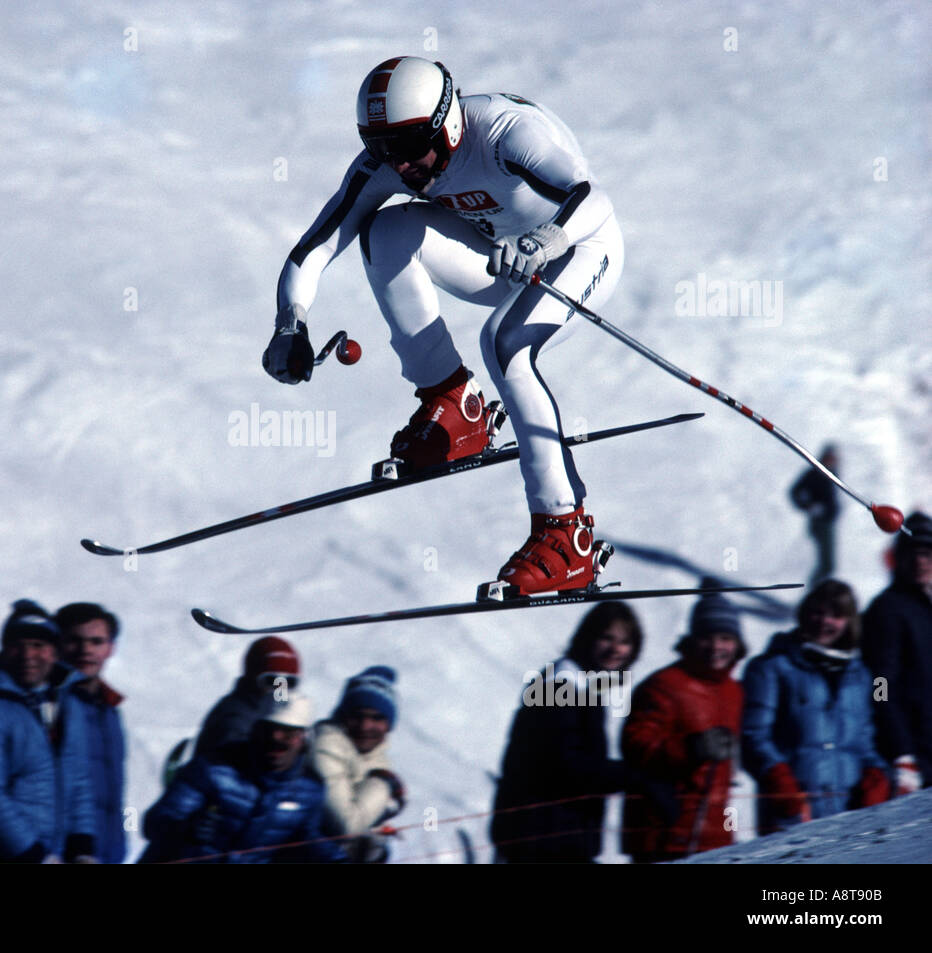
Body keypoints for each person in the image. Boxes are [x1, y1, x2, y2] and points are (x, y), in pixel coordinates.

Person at [263, 55, 622, 596]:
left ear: (448, 124)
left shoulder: (505, 132)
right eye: (381, 150)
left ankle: (565, 533)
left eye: (408, 149)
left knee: (505, 345)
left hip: (579, 249)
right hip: (500, 257)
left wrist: (548, 240)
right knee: (384, 232)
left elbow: (591, 197)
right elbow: (316, 244)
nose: (399, 167)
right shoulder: (393, 160)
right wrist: (291, 322)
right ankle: (456, 407)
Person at [0, 599, 96, 863]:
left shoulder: (68, 704)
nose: (28, 655)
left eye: (38, 645)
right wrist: (33, 854)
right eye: (17, 646)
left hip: (46, 853)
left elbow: (79, 781)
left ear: (55, 651)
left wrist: (81, 846)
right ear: (4, 651)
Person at [491, 601, 642, 863]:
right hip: (538, 841)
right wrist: (633, 777)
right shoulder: (559, 684)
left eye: (625, 642)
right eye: (606, 638)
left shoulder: (586, 685)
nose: (616, 649)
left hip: (561, 838)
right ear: (588, 637)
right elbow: (566, 766)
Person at [742, 580, 888, 833]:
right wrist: (780, 781)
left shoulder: (862, 675)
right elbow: (754, 736)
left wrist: (877, 773)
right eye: (817, 612)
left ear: (849, 621)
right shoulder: (772, 667)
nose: (824, 621)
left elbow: (863, 742)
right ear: (804, 613)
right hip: (793, 813)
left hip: (849, 813)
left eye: (836, 615)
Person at [140, 695, 346, 863]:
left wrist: (337, 859)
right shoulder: (214, 769)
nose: (276, 744)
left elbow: (305, 839)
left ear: (303, 740)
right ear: (256, 732)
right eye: (268, 732)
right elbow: (155, 822)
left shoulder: (308, 790)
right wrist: (185, 829)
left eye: (288, 736)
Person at [622, 589, 744, 862]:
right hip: (666, 836)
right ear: (693, 640)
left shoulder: (734, 691)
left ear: (737, 643)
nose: (716, 647)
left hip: (716, 838)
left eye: (725, 638)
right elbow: (635, 746)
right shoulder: (664, 686)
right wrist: (691, 748)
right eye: (707, 637)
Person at [862, 511, 932, 795]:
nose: (920, 561)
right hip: (914, 756)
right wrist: (901, 753)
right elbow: (880, 685)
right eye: (912, 554)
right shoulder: (887, 609)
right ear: (898, 559)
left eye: (927, 553)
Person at [55, 601, 128, 864]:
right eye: (75, 640)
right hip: (63, 852)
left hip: (106, 853)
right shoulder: (50, 705)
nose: (86, 650)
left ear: (110, 648)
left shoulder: (109, 710)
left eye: (96, 641)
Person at [309, 666, 406, 863]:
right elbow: (347, 826)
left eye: (376, 718)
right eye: (357, 716)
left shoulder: (375, 755)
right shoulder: (327, 744)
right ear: (344, 716)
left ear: (389, 724)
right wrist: (383, 786)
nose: (365, 726)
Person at [194, 636, 301, 757]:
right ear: (252, 678)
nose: (280, 690)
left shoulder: (278, 711)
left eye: (290, 682)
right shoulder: (234, 717)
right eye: (271, 681)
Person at [789, 445, 841, 586]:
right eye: (829, 458)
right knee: (827, 564)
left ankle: (817, 590)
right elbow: (794, 491)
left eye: (834, 458)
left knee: (828, 565)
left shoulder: (832, 473)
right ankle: (814, 591)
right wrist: (808, 506)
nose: (832, 461)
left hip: (828, 522)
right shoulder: (814, 474)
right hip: (820, 523)